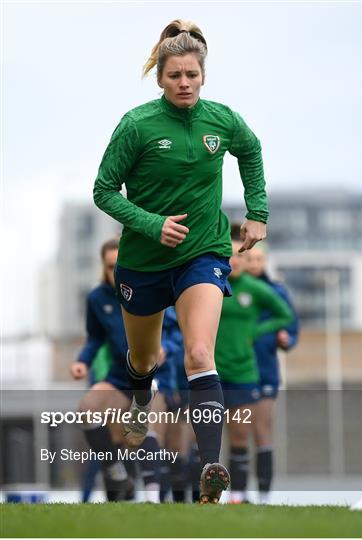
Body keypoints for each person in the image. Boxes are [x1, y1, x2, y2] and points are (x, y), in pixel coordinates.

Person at [93, 19, 268, 504]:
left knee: (197, 355)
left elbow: (251, 152)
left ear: (203, 75)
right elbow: (103, 190)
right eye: (175, 76)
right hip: (144, 262)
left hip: (203, 253)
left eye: (192, 74)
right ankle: (141, 396)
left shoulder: (222, 120)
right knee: (144, 359)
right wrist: (152, 224)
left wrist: (258, 212)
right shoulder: (136, 125)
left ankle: (211, 470)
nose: (184, 83)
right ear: (161, 79)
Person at [70, 238, 175, 503]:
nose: (113, 272)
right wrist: (82, 360)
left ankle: (152, 500)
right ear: (102, 267)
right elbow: (94, 337)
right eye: (108, 267)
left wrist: (166, 348)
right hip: (118, 378)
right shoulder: (97, 298)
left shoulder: (152, 288)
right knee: (87, 407)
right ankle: (115, 471)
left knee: (145, 428)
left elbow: (178, 331)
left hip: (153, 377)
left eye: (118, 265)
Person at [214, 233, 294, 504]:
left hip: (243, 372)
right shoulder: (210, 284)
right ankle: (204, 494)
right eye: (230, 255)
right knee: (201, 437)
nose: (234, 260)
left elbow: (285, 315)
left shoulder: (255, 289)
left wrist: (257, 331)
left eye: (240, 256)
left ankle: (240, 494)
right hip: (210, 373)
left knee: (241, 434)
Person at [244, 239, 299, 504]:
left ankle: (264, 494)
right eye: (249, 259)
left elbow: (291, 326)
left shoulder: (276, 292)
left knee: (261, 429)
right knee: (236, 432)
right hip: (235, 369)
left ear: (265, 262)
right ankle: (236, 493)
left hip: (265, 371)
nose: (254, 264)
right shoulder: (231, 289)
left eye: (258, 260)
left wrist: (286, 339)